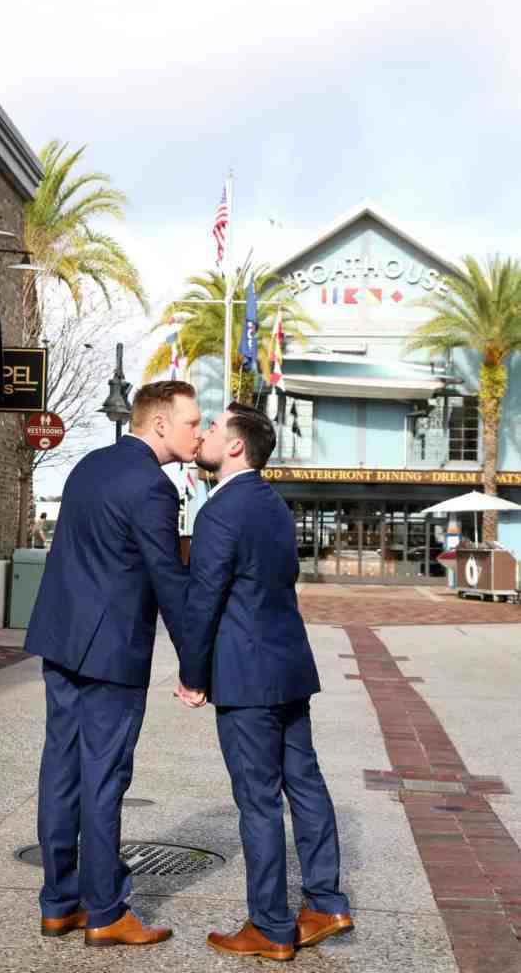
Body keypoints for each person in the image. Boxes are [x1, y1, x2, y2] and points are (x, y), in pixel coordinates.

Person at [25, 381, 202, 948]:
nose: (198, 433)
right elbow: (168, 580)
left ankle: (59, 903)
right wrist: (194, 664)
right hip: (110, 654)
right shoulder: (153, 486)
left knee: (61, 772)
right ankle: (105, 910)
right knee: (104, 778)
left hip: (62, 639)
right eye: (191, 422)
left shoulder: (87, 467)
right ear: (158, 425)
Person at [178, 402, 353, 962]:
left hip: (245, 679)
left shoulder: (219, 512)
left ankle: (271, 927)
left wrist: (191, 674)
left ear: (235, 446)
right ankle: (326, 904)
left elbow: (203, 600)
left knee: (257, 801)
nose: (203, 435)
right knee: (305, 784)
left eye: (212, 429)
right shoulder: (275, 505)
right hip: (289, 669)